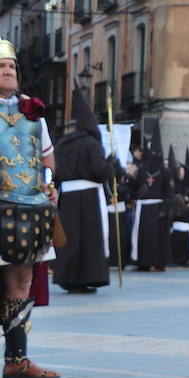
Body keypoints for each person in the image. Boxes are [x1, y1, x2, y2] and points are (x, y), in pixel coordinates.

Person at [0, 40, 60, 378]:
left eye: (11, 67)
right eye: (0, 67)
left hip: (27, 207)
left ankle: (16, 359)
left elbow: (46, 156)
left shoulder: (31, 112)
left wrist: (50, 183)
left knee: (20, 281)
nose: (7, 71)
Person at [53, 88, 117, 293]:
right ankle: (87, 277)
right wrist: (111, 165)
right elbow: (100, 170)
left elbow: (57, 172)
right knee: (89, 238)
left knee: (69, 238)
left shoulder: (62, 144)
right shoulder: (91, 144)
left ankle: (67, 277)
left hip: (67, 196)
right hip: (89, 196)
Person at [131, 130, 173, 272]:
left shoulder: (165, 171)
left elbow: (169, 192)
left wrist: (165, 210)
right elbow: (134, 188)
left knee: (157, 238)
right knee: (143, 237)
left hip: (157, 209)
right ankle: (143, 263)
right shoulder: (142, 170)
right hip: (144, 208)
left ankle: (158, 263)